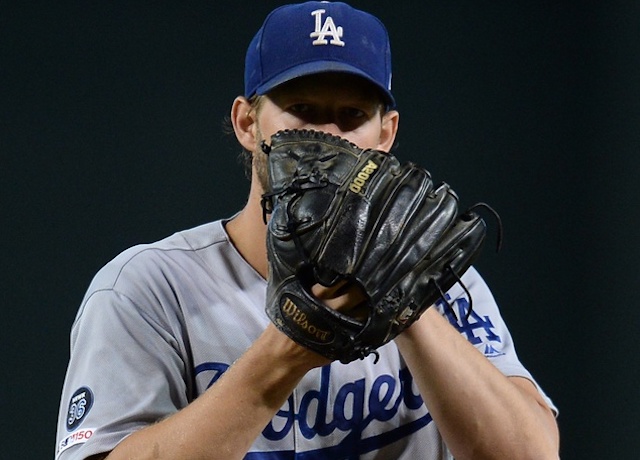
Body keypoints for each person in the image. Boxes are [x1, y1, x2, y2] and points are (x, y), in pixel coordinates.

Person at [55, 2, 560, 459]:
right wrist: (281, 356)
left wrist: (406, 304)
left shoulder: (442, 283)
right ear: (247, 123)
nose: (329, 136)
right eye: (303, 113)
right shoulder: (148, 289)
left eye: (351, 116)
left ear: (386, 133)